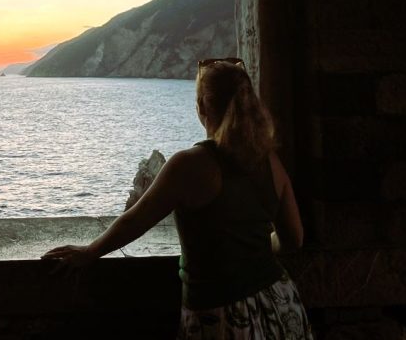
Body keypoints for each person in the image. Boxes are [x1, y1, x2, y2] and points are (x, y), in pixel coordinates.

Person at [42, 58, 313, 339]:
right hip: (281, 303)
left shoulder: (191, 164)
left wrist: (89, 252)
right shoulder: (269, 160)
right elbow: (294, 238)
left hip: (222, 315)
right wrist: (255, 245)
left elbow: (135, 220)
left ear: (201, 107)